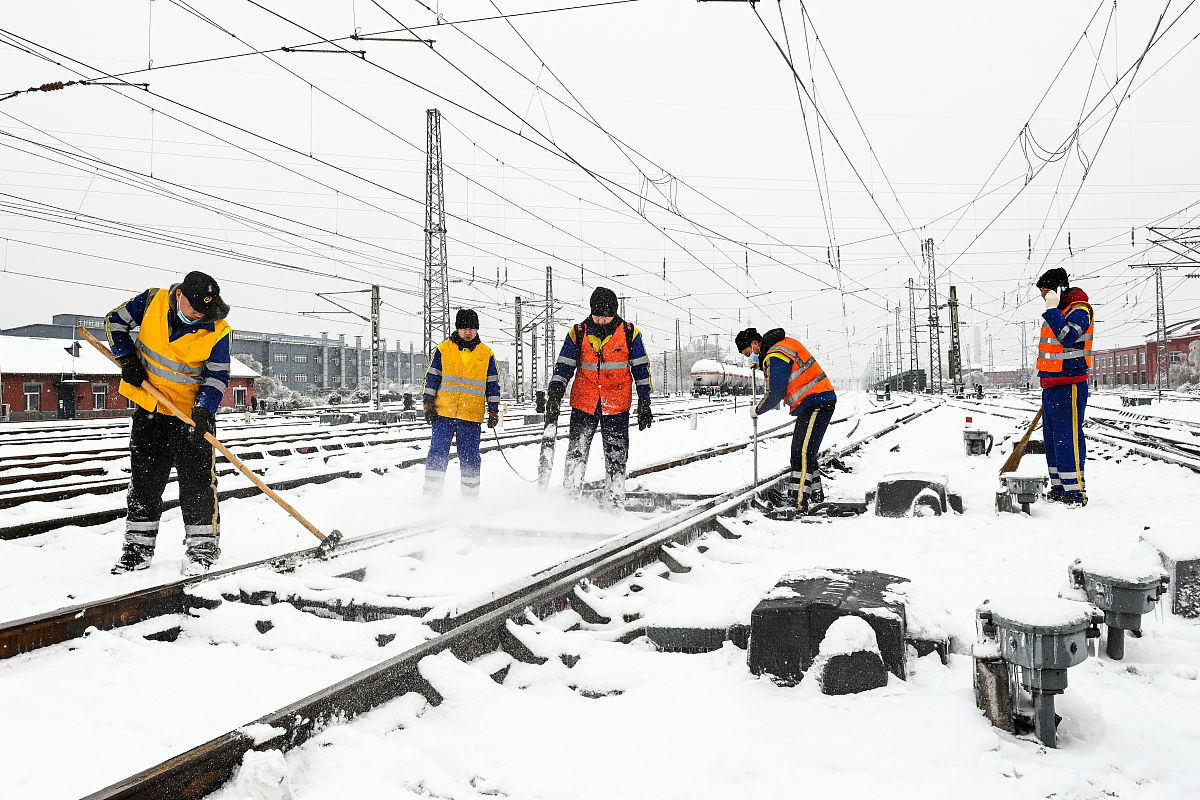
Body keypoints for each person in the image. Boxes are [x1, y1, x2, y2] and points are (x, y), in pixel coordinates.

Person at [105, 271, 232, 575]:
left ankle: (202, 551)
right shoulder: (151, 301)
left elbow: (217, 377)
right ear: (179, 296)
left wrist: (204, 411)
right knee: (145, 483)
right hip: (150, 410)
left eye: (204, 311)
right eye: (193, 309)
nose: (198, 315)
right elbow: (114, 322)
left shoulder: (218, 330)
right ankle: (137, 550)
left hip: (191, 418)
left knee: (198, 485)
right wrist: (128, 359)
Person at [546, 286, 653, 507]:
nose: (602, 320)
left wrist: (645, 402)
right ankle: (569, 502)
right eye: (598, 315)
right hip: (584, 402)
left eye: (606, 316)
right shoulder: (577, 333)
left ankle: (614, 502)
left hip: (616, 405)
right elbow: (564, 366)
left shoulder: (630, 334)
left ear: (614, 312)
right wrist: (555, 394)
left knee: (616, 456)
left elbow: (641, 370)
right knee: (576, 452)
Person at [737, 326, 836, 515]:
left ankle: (797, 502)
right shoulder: (779, 349)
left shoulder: (776, 354)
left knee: (802, 452)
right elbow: (781, 372)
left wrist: (757, 410)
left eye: (749, 353)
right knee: (805, 451)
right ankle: (815, 494)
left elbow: (776, 392)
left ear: (756, 344)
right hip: (815, 401)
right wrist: (761, 366)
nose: (750, 357)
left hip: (817, 402)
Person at [422, 309, 501, 497]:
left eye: (472, 328)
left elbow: (493, 385)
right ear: (457, 328)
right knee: (437, 454)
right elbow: (432, 377)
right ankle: (431, 497)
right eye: (464, 328)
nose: (468, 332)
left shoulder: (486, 354)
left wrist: (494, 410)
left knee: (470, 458)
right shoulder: (444, 349)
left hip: (471, 417)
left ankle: (470, 498)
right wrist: (428, 403)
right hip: (443, 414)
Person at [1035, 267, 1093, 507]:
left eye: (1046, 291)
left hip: (1070, 384)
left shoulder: (1080, 310)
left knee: (1067, 438)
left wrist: (1051, 309)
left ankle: (1075, 492)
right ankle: (1060, 487)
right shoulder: (1059, 312)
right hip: (1051, 385)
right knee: (1053, 440)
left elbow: (1068, 336)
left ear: (1059, 290)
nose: (1043, 296)